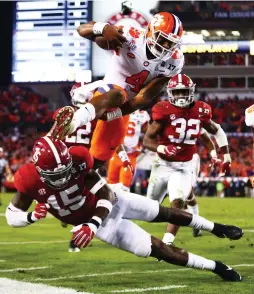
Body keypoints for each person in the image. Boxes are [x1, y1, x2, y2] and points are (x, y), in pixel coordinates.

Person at [5, 136, 243, 281]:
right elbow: (10, 216)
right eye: (57, 174)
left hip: (107, 207)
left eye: (66, 168)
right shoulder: (28, 181)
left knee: (164, 213)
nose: (65, 175)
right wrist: (29, 216)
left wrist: (92, 224)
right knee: (158, 249)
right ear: (41, 171)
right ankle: (217, 267)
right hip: (101, 226)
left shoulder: (77, 159)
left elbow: (106, 193)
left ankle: (218, 227)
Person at [51, 12, 185, 169]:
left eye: (171, 43)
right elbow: (81, 29)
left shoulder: (175, 61)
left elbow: (145, 96)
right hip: (105, 90)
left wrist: (115, 114)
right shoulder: (130, 35)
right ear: (150, 31)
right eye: (162, 39)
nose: (165, 47)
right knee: (117, 93)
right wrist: (102, 28)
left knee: (103, 154)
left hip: (125, 104)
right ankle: (73, 122)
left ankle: (77, 179)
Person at [144, 73, 231, 246]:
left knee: (178, 202)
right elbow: (147, 140)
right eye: (176, 92)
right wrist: (163, 148)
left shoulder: (200, 110)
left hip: (184, 166)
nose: (180, 96)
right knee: (149, 210)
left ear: (191, 91)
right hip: (162, 165)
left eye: (184, 91)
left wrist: (226, 157)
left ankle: (167, 243)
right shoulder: (163, 110)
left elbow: (217, 131)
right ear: (170, 93)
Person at [107, 110, 150, 191]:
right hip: (116, 154)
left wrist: (141, 146)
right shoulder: (120, 110)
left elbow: (149, 134)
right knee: (110, 186)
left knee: (124, 188)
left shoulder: (142, 114)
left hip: (130, 155)